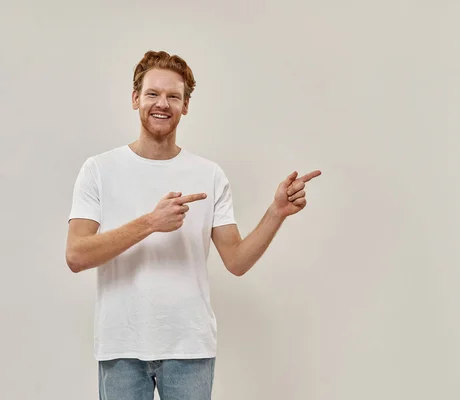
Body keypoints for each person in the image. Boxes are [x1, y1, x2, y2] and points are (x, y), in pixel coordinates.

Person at [65, 50, 321, 400]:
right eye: (153, 93)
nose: (162, 103)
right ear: (135, 98)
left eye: (174, 96)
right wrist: (151, 223)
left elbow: (237, 261)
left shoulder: (209, 174)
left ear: (185, 106)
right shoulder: (99, 169)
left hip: (189, 347)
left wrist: (276, 212)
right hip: (120, 346)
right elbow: (76, 255)